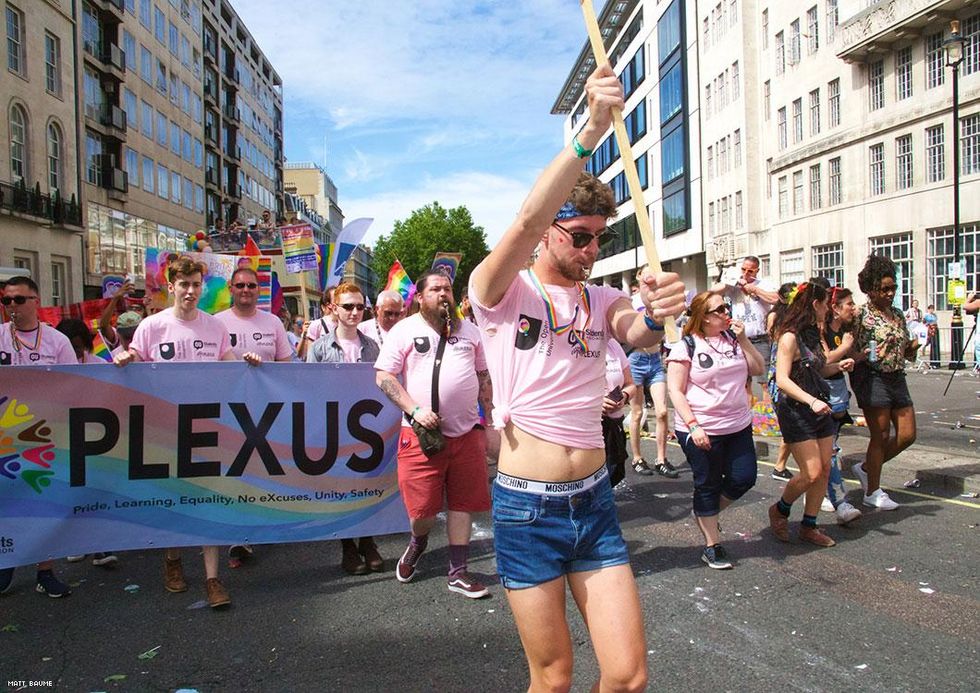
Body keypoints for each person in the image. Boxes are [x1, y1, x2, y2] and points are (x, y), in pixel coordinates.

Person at [467, 64, 686, 692]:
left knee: (626, 677)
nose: (592, 249)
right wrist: (591, 128)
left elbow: (637, 332)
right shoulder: (501, 293)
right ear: (552, 233)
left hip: (594, 503)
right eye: (581, 236)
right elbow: (526, 221)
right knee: (554, 678)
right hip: (525, 507)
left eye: (600, 238)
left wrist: (657, 310)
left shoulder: (602, 299)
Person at [114, 256, 259, 609]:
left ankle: (212, 578)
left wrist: (249, 363)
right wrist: (124, 359)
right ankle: (173, 559)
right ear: (171, 287)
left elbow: (230, 366)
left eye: (196, 285)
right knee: (174, 497)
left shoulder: (214, 327)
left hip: (208, 426)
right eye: (184, 285)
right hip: (164, 428)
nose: (191, 291)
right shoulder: (152, 326)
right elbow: (134, 360)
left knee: (208, 499)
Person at [375, 271, 493, 598]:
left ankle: (458, 572)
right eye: (436, 289)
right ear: (421, 297)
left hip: (468, 433)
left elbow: (483, 375)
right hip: (422, 436)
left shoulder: (470, 331)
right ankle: (418, 541)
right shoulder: (405, 329)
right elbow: (383, 375)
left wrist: (492, 417)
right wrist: (413, 410)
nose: (444, 294)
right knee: (422, 512)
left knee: (463, 503)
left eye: (448, 290)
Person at [666, 292, 764, 569]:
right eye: (720, 309)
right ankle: (712, 545)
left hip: (738, 424)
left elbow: (758, 368)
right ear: (705, 317)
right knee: (707, 483)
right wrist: (694, 426)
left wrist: (744, 339)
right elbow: (676, 389)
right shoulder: (686, 346)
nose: (726, 311)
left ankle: (706, 513)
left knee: (744, 477)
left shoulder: (733, 340)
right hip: (701, 428)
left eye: (727, 306)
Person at [0, 276, 76, 598]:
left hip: (44, 437)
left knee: (44, 504)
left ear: (35, 301)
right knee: (8, 504)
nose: (12, 307)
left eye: (19, 300)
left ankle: (45, 571)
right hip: (4, 437)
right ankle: (7, 560)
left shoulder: (57, 341)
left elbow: (75, 385)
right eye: (6, 301)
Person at [216, 266, 294, 563]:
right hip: (229, 412)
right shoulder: (216, 323)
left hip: (267, 412)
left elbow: (287, 368)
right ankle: (238, 537)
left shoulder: (273, 323)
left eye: (251, 285)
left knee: (264, 471)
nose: (246, 290)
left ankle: (265, 523)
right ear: (231, 288)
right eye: (240, 285)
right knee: (235, 473)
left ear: (258, 289)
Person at [307, 282, 385, 575]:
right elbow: (309, 389)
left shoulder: (373, 346)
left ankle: (368, 541)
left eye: (360, 307)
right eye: (348, 306)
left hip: (366, 429)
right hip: (334, 426)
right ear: (333, 309)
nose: (354, 312)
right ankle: (347, 547)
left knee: (366, 484)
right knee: (339, 487)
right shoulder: (319, 347)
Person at [767, 282, 854, 547]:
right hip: (795, 410)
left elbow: (818, 369)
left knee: (825, 469)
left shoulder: (814, 335)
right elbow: (782, 379)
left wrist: (839, 365)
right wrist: (810, 400)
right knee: (811, 472)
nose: (828, 308)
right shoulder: (789, 337)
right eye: (826, 303)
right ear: (814, 304)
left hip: (820, 407)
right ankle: (780, 509)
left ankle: (809, 526)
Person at [850, 255, 918, 511]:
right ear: (871, 289)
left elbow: (905, 352)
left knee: (907, 435)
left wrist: (911, 348)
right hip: (872, 377)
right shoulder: (860, 315)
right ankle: (872, 491)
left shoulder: (898, 314)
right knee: (880, 436)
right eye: (885, 289)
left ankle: (867, 468)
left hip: (897, 376)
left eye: (893, 288)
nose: (890, 293)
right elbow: (848, 345)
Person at [710, 256, 780, 406]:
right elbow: (713, 291)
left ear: (757, 271)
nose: (746, 273)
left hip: (760, 337)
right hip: (740, 338)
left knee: (765, 379)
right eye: (744, 269)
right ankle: (748, 411)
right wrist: (734, 281)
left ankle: (769, 413)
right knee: (744, 379)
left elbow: (775, 298)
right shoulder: (734, 286)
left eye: (750, 271)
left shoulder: (764, 284)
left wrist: (754, 289)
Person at [627, 269, 677, 478]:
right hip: (636, 360)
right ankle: (637, 458)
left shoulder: (662, 299)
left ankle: (661, 459)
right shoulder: (630, 301)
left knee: (663, 411)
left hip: (655, 360)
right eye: (644, 273)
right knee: (637, 413)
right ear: (638, 276)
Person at [820, 286, 863, 525]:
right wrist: (845, 349)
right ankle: (838, 501)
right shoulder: (821, 331)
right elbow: (824, 361)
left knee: (831, 449)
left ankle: (818, 492)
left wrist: (859, 355)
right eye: (849, 304)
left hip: (839, 395)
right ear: (834, 308)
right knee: (830, 450)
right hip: (822, 395)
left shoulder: (845, 331)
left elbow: (839, 362)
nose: (853, 308)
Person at [766, 283, 797, 482]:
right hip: (780, 374)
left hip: (791, 374)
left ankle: (780, 466)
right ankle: (779, 466)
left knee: (792, 425)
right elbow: (774, 340)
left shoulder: (795, 319)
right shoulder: (777, 317)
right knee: (791, 424)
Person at [602, 339, 636, 487]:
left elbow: (630, 384)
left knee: (614, 470)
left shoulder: (613, 345)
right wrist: (595, 403)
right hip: (589, 427)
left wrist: (624, 396)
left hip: (614, 423)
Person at [298, 286, 336, 360]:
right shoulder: (316, 325)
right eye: (336, 300)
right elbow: (308, 356)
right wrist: (304, 335)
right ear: (325, 307)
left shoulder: (347, 324)